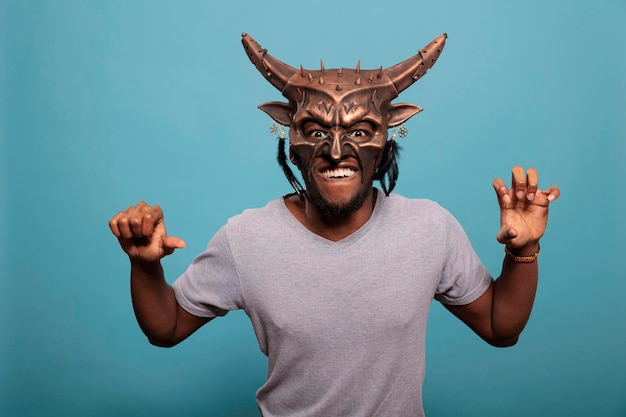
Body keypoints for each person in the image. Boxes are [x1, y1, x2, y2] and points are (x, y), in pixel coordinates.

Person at [109, 33, 560, 417]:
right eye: (317, 131)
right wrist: (144, 266)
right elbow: (165, 329)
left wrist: (524, 251)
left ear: (388, 137)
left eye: (360, 132)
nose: (338, 150)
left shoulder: (429, 228)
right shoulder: (245, 239)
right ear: (289, 136)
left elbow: (502, 329)